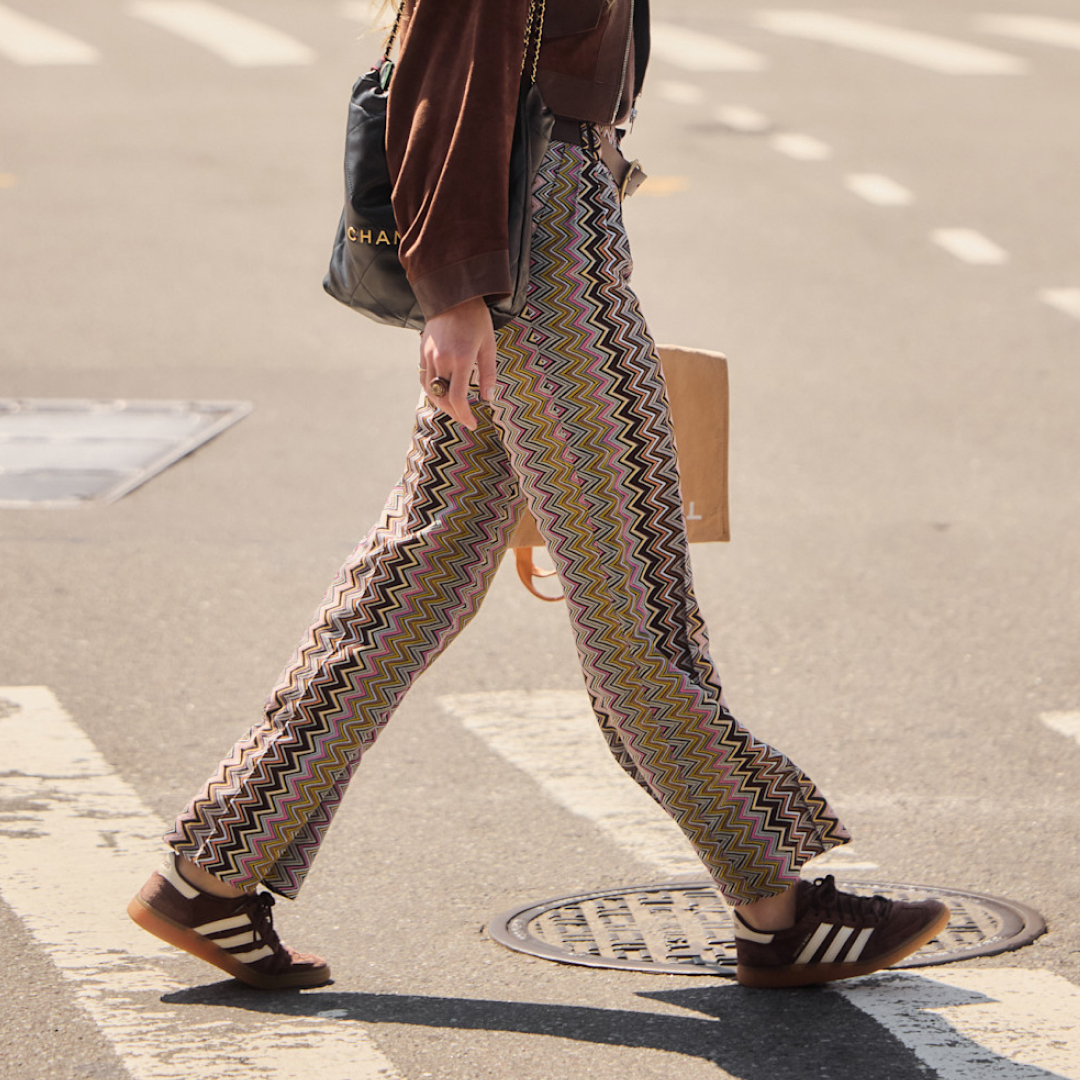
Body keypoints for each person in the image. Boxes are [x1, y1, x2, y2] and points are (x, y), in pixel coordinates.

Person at [128, 0, 948, 991]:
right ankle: (778, 904)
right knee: (634, 597)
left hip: (539, 229)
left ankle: (216, 867)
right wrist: (455, 293)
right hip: (538, 250)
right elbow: (448, 75)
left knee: (416, 576)